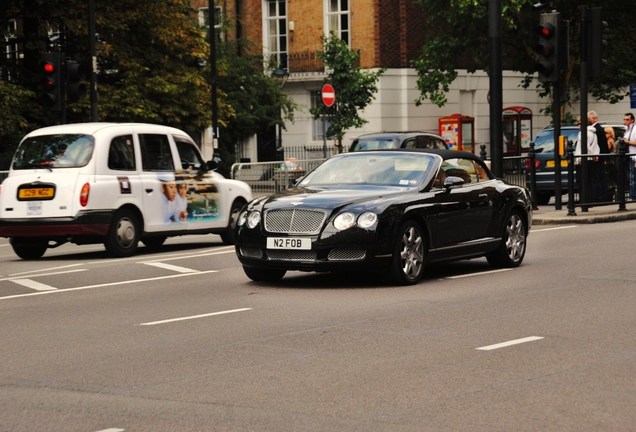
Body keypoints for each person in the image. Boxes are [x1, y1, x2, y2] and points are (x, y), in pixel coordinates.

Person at [623, 112, 636, 199]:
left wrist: (626, 142)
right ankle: (632, 195)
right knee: (630, 177)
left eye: (627, 119)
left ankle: (633, 196)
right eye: (624, 119)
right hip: (629, 156)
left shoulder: (634, 129)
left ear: (632, 120)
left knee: (633, 177)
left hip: (634, 156)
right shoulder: (627, 130)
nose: (625, 121)